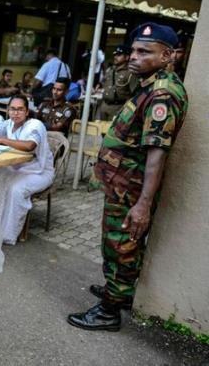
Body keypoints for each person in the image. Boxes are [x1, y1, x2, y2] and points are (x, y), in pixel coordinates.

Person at [67, 22, 188, 332]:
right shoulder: (149, 85)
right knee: (116, 244)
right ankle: (115, 292)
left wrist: (143, 205)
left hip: (131, 192)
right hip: (122, 186)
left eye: (144, 52)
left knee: (122, 247)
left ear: (168, 55)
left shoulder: (163, 94)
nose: (134, 56)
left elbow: (156, 154)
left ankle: (109, 311)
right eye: (133, 50)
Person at [0, 95, 54, 245]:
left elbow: (30, 146)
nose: (16, 113)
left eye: (20, 109)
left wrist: (3, 140)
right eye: (12, 109)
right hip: (18, 169)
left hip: (40, 171)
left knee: (15, 188)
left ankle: (8, 235)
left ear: (26, 112)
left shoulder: (35, 125)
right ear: (8, 110)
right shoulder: (7, 124)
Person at [96, 45, 138, 121]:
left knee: (114, 132)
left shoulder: (130, 73)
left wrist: (126, 111)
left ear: (127, 57)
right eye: (115, 55)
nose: (115, 57)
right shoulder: (110, 70)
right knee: (100, 130)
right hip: (104, 105)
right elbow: (103, 83)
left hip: (118, 107)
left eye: (119, 55)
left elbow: (134, 95)